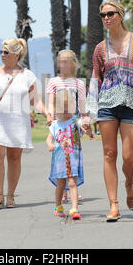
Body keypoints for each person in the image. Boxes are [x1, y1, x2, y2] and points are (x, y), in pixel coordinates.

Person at [86, 0, 133, 222]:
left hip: (132, 104)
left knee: (129, 157)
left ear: (121, 14)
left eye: (110, 13)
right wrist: (89, 113)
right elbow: (96, 79)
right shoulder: (100, 48)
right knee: (109, 154)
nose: (106, 18)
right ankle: (113, 205)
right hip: (107, 104)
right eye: (103, 15)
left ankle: (129, 183)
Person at [0, 37, 52, 210]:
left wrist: (47, 113)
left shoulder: (27, 76)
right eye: (1, 52)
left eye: (6, 52)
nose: (2, 55)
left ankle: (10, 195)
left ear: (17, 55)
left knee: (14, 157)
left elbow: (36, 101)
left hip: (18, 121)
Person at [46, 49, 87, 202]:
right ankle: (62, 188)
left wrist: (85, 120)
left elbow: (82, 105)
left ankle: (73, 188)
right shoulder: (53, 82)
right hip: (59, 122)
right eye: (60, 62)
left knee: (73, 155)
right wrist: (50, 116)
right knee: (60, 155)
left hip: (73, 123)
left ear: (72, 64)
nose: (62, 65)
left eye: (65, 62)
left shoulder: (79, 83)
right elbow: (51, 102)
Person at [46, 89, 93, 220]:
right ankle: (58, 206)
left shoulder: (75, 122)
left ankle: (74, 208)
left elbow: (86, 132)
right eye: (62, 108)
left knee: (72, 182)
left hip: (73, 159)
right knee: (61, 183)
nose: (65, 111)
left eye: (68, 107)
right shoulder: (55, 124)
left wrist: (89, 131)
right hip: (60, 159)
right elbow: (49, 139)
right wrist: (50, 145)